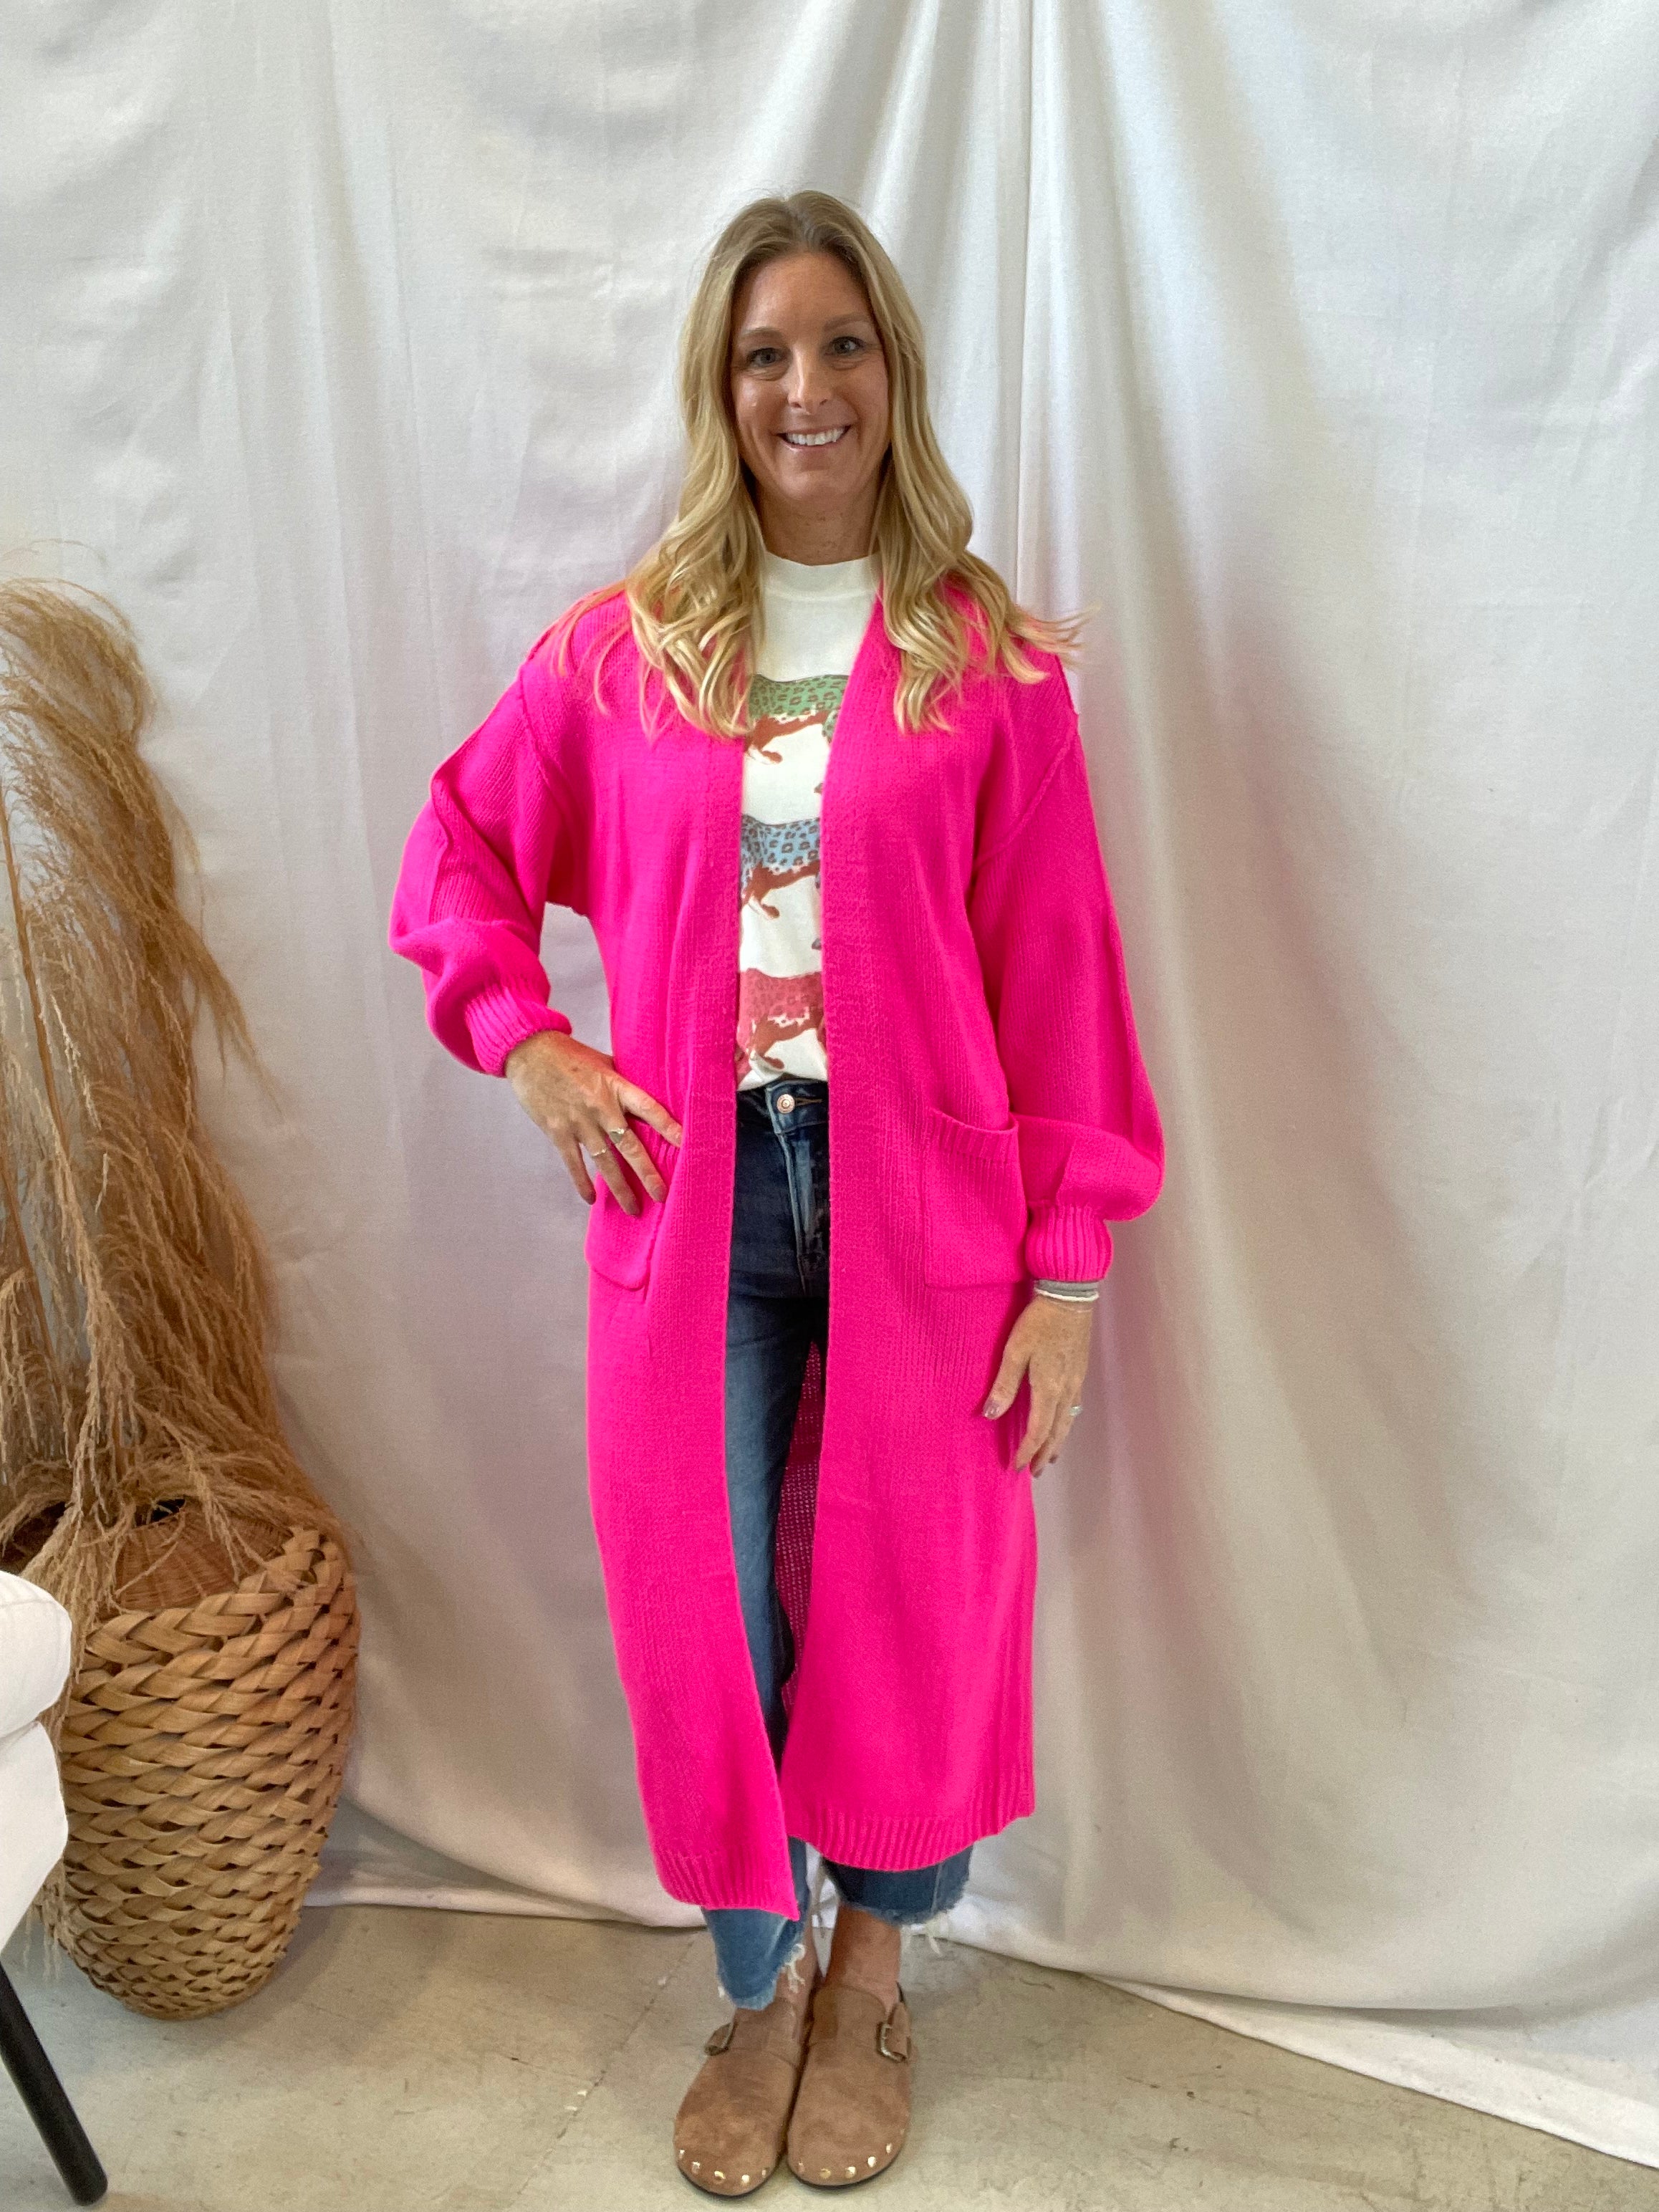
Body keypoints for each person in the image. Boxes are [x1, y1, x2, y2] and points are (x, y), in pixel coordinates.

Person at [388, 188, 1165, 2196]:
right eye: (762, 354)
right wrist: (530, 1044)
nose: (804, 388)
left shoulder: (985, 665)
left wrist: (1067, 1270)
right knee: (705, 1608)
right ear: (717, 392)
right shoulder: (629, 652)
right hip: (695, 1210)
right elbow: (461, 849)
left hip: (930, 1209)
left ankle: (874, 1979)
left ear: (890, 371)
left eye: (839, 344)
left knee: (915, 1597)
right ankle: (760, 1982)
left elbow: (1061, 972)